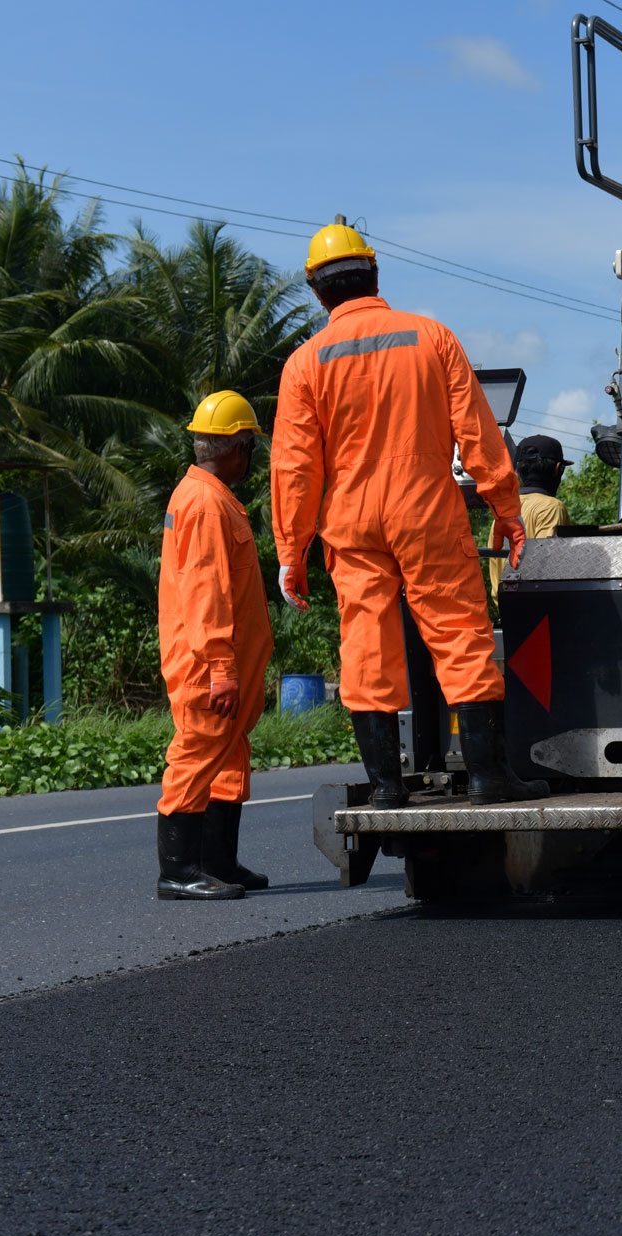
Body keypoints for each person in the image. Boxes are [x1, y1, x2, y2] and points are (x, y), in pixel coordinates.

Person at [271, 221, 548, 808]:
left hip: (349, 517)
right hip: (424, 508)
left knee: (366, 644)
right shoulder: (431, 337)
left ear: (318, 293)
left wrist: (291, 552)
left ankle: (386, 789)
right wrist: (506, 508)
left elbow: (295, 470)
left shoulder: (304, 364)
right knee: (458, 634)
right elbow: (477, 432)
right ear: (374, 273)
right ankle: (488, 779)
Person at [156, 391, 273, 899]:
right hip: (208, 661)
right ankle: (179, 871)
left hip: (224, 660)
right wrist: (222, 667)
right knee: (197, 753)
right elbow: (207, 592)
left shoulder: (209, 494)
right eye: (249, 446)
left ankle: (217, 860)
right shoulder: (205, 502)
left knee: (227, 755)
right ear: (237, 447)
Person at [488, 434, 570, 600]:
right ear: (557, 468)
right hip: (537, 613)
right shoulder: (551, 508)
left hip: (505, 612)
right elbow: (547, 569)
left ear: (518, 471)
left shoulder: (502, 512)